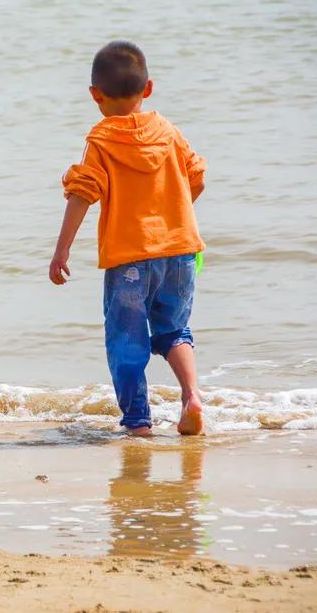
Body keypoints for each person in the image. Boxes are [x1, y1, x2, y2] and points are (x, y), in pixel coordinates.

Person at [48, 41, 206, 436]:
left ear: (95, 94)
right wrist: (173, 215)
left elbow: (83, 192)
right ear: (148, 88)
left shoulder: (101, 139)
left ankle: (138, 422)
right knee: (174, 331)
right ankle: (191, 396)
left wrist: (62, 248)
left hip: (130, 260)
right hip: (181, 253)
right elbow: (196, 177)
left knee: (127, 342)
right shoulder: (168, 131)